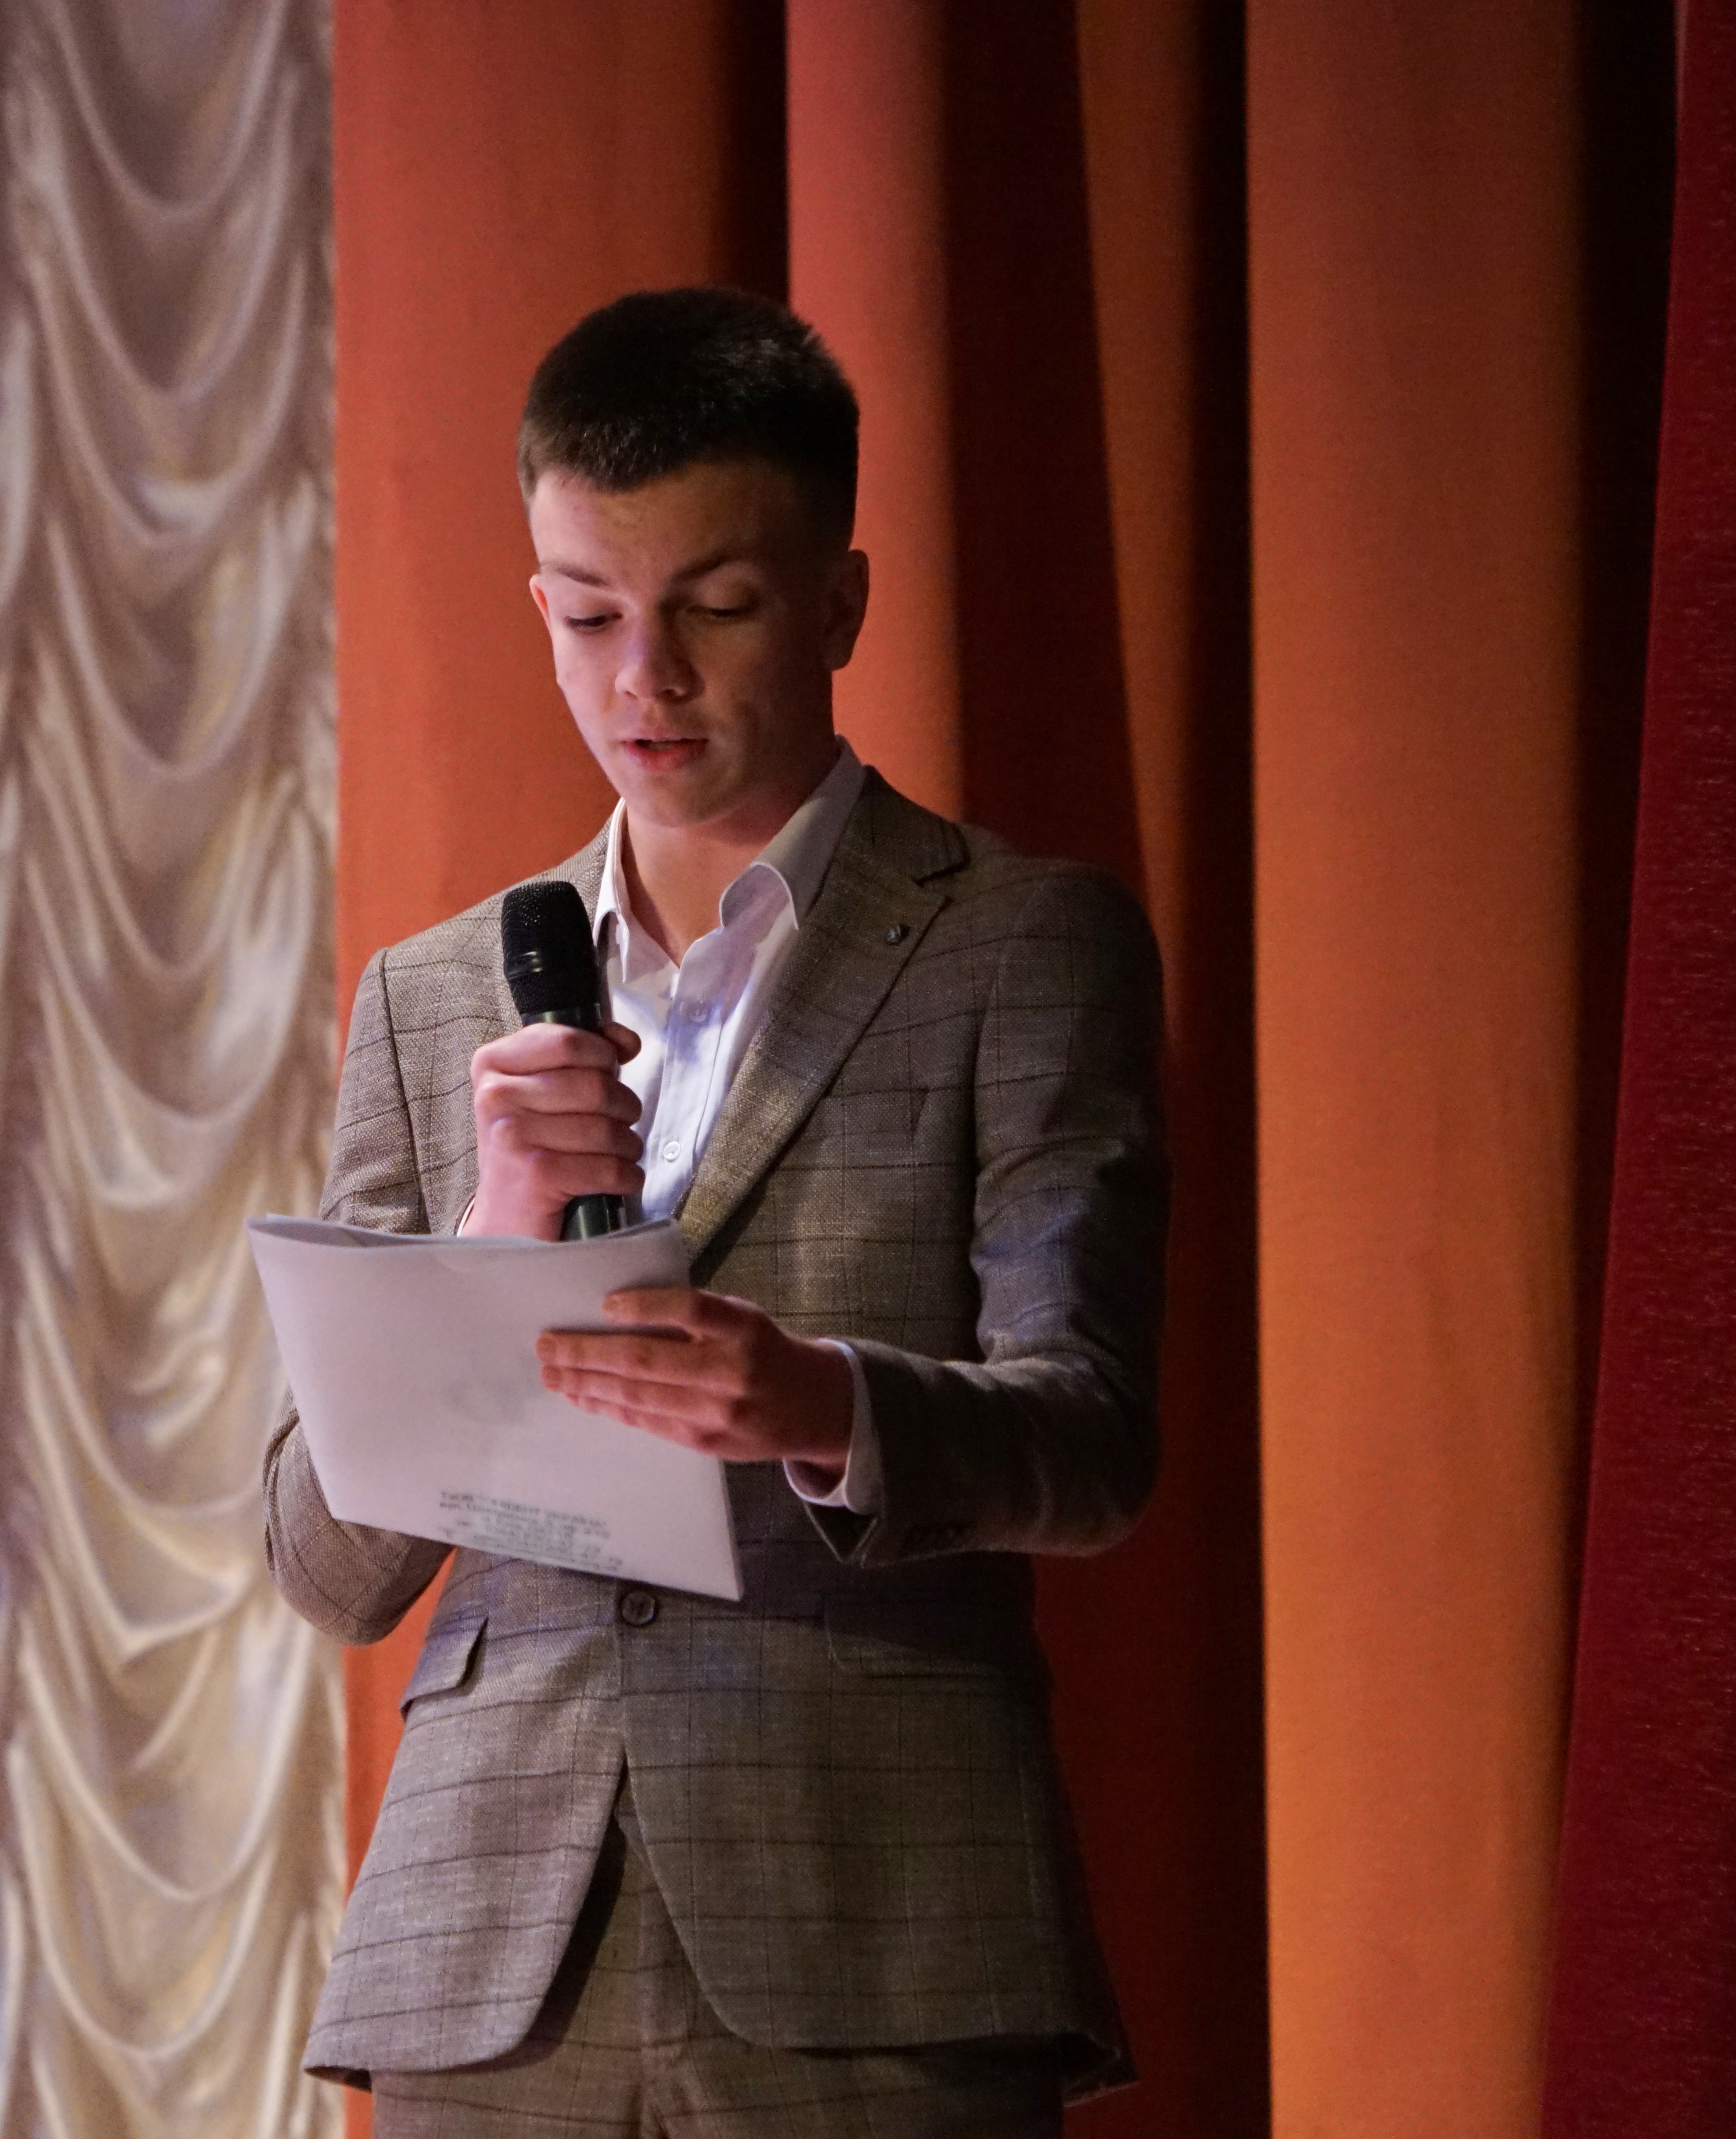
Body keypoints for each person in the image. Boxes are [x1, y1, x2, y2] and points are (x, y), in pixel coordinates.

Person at [260, 287, 1169, 2137]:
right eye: (590, 616)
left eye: (717, 608)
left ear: (837, 603)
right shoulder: (435, 996)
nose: (644, 680)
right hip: (493, 1949)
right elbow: (325, 1564)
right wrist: (496, 1238)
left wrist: (819, 1400)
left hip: (876, 1915)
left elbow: (1091, 1441)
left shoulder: (1018, 943)